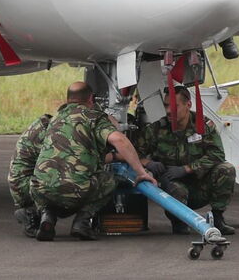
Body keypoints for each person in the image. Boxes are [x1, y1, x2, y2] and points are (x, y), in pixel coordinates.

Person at [30, 81, 155, 241]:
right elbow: (119, 140)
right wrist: (141, 172)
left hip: (40, 190)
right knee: (109, 180)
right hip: (75, 190)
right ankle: (82, 222)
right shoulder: (93, 117)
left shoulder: (55, 118)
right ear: (90, 99)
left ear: (68, 100)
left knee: (46, 183)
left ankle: (47, 216)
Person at [136, 84, 236, 235]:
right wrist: (148, 163)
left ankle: (218, 218)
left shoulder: (203, 125)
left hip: (200, 183)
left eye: (174, 106)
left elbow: (217, 154)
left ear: (188, 104)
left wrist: (187, 169)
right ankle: (179, 222)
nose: (169, 111)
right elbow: (134, 154)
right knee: (176, 189)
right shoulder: (157, 129)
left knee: (226, 169)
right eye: (166, 105)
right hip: (175, 186)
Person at [7, 113, 52, 237]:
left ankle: (31, 210)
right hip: (24, 184)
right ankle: (32, 213)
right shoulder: (45, 132)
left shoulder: (41, 125)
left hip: (21, 182)